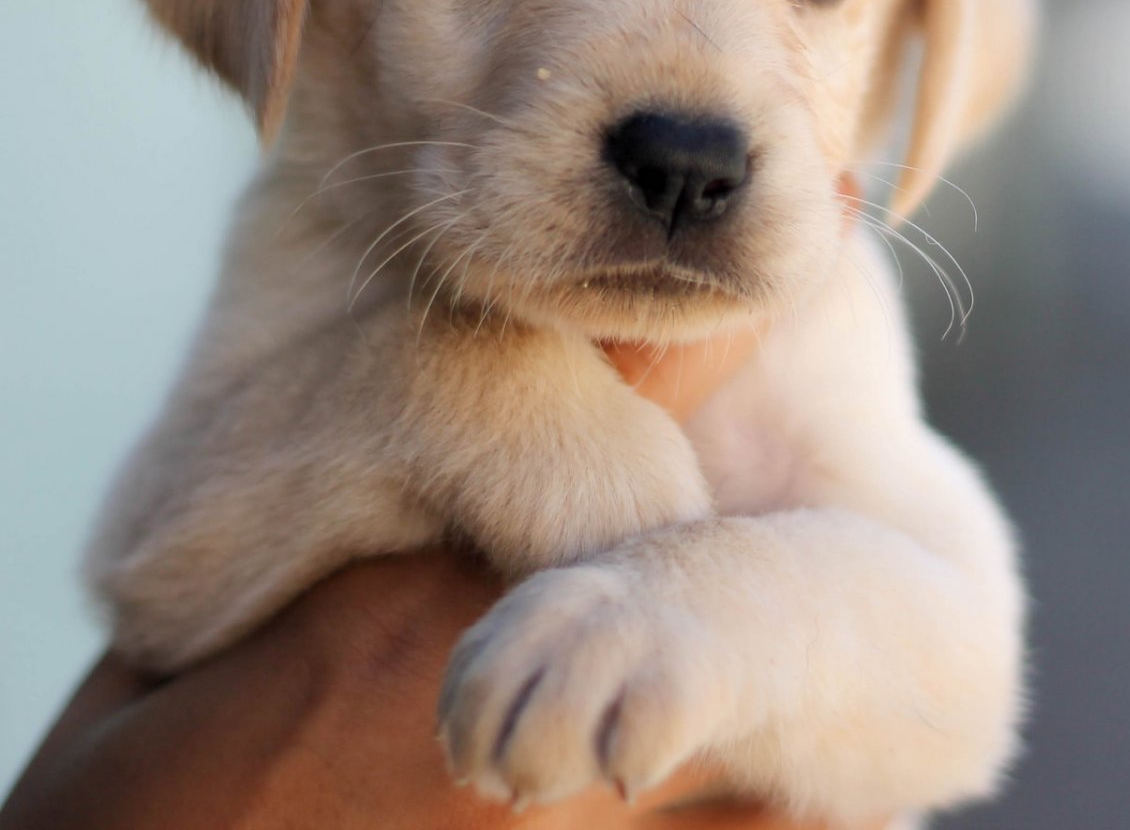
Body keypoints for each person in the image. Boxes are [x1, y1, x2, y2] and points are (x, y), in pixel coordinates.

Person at [0, 335, 866, 830]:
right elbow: (150, 581)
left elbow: (956, 682)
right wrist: (452, 381)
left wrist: (702, 604)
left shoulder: (828, 324)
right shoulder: (332, 226)